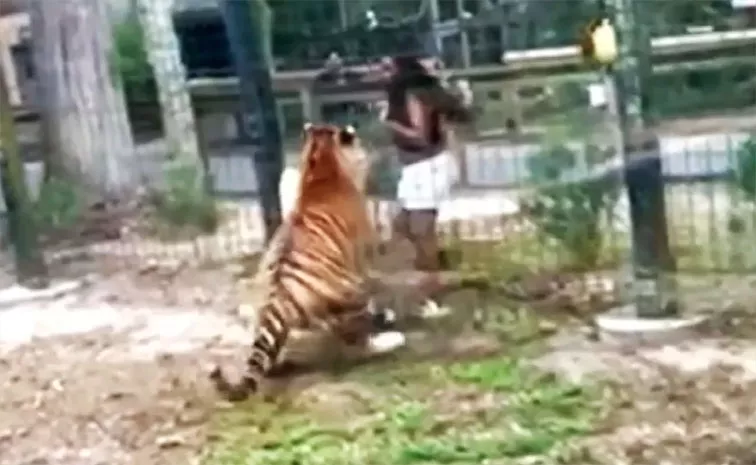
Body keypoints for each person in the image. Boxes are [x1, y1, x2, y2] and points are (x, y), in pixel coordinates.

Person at [380, 55, 470, 275]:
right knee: (402, 225)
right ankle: (433, 263)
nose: (383, 74)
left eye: (387, 68)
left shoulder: (414, 96)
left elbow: (421, 137)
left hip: (428, 165)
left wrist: (391, 125)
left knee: (421, 229)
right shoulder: (419, 94)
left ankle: (431, 275)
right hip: (420, 167)